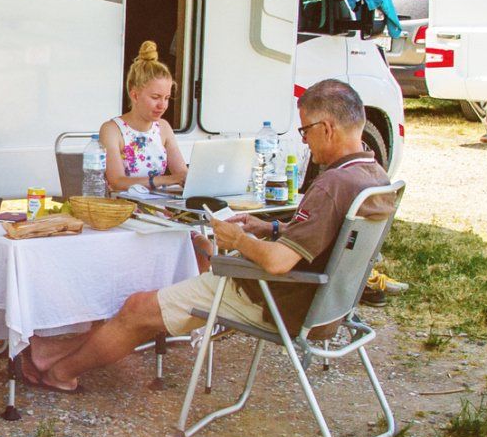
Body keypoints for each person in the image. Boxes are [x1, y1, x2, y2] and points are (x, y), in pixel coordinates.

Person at [23, 78, 394, 391]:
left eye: (306, 131)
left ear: (327, 128)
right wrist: (271, 227)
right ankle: (49, 355)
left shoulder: (331, 184)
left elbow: (278, 262)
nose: (306, 141)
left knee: (138, 308)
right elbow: (326, 235)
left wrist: (236, 243)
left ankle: (60, 372)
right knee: (146, 306)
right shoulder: (373, 177)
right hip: (327, 307)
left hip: (270, 298)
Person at [100, 42, 189, 194]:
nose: (163, 105)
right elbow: (117, 181)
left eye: (166, 98)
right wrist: (165, 180)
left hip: (160, 208)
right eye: (155, 97)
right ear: (134, 95)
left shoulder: (164, 127)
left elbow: (181, 174)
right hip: (124, 210)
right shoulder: (112, 130)